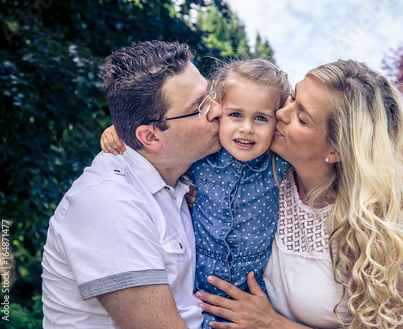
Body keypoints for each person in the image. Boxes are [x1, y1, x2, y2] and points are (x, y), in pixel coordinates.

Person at [194, 60, 403, 329]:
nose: (281, 113)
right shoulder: (261, 172)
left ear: (337, 150)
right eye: (292, 97)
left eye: (302, 118)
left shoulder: (366, 225)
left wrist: (272, 324)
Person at [41, 40, 223, 328]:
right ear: (150, 138)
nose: (218, 109)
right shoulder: (107, 204)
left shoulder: (180, 175)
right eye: (199, 107)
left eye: (209, 94)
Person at [100, 59, 291, 328]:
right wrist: (120, 130)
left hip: (251, 294)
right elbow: (163, 139)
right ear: (219, 111)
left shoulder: (278, 162)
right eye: (235, 115)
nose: (247, 128)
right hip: (196, 292)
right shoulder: (202, 156)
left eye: (261, 118)